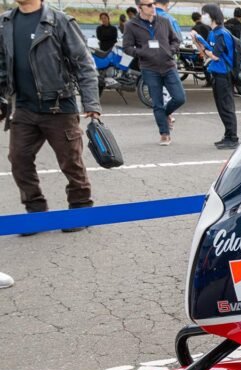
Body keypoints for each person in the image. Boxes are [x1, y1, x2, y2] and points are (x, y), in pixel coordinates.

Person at [0, 0, 100, 234]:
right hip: (24, 107)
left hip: (59, 106)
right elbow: (2, 65)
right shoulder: (5, 22)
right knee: (19, 160)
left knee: (71, 162)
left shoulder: (59, 20)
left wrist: (91, 103)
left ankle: (80, 208)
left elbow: (84, 64)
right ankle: (36, 211)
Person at [123, 0, 184, 145]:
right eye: (149, 5)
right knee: (157, 102)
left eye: (153, 3)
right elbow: (127, 48)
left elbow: (175, 40)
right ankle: (164, 134)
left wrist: (171, 50)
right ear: (140, 8)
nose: (153, 7)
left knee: (180, 97)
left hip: (168, 66)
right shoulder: (131, 25)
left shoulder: (164, 21)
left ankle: (165, 114)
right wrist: (143, 52)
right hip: (149, 68)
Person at [193, 5, 236, 149]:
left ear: (212, 15)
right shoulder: (213, 33)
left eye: (204, 13)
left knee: (226, 106)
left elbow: (215, 56)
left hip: (224, 74)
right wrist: (198, 41)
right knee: (221, 106)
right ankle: (228, 135)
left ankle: (233, 138)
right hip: (217, 74)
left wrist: (202, 45)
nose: (203, 16)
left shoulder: (221, 33)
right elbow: (208, 52)